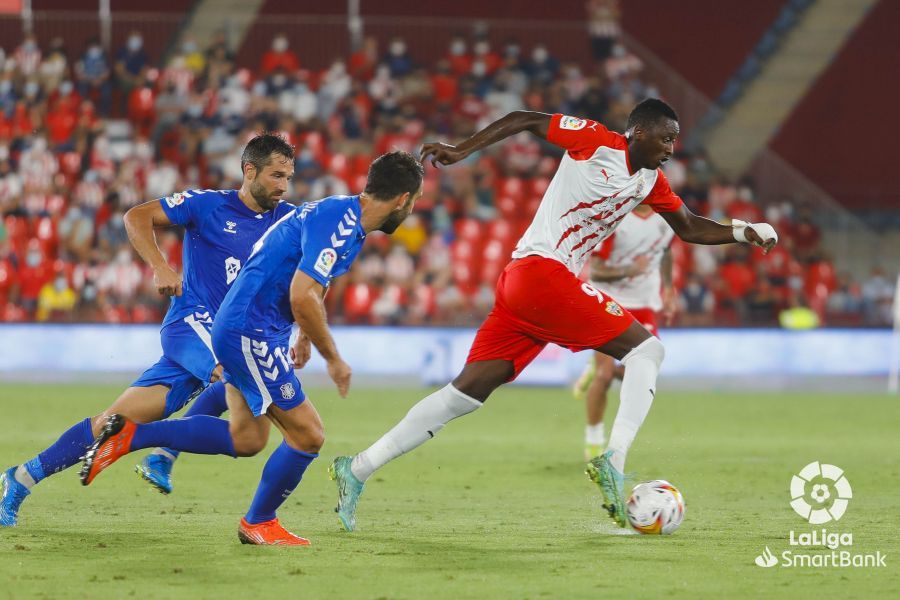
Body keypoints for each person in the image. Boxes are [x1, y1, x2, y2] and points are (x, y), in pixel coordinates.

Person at [330, 99, 778, 531]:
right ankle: (614, 460)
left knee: (462, 395)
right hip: (541, 273)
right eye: (665, 139)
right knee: (648, 351)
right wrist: (462, 149)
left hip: (524, 286)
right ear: (638, 132)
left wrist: (743, 231)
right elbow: (526, 119)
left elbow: (691, 226)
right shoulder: (595, 141)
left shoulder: (649, 183)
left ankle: (358, 468)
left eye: (674, 142)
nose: (670, 149)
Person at [79, 152, 424, 546]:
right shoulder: (340, 223)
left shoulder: (345, 220)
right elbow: (301, 296)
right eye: (413, 203)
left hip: (255, 329)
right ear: (402, 199)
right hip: (250, 331)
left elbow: (312, 283)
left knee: (247, 438)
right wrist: (335, 359)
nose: (411, 210)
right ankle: (258, 521)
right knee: (308, 434)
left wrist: (305, 337)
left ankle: (130, 436)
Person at [0, 134, 297, 526]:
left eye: (289, 177)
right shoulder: (208, 206)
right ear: (249, 170)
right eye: (276, 175)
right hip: (194, 324)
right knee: (233, 383)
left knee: (117, 421)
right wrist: (159, 265)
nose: (283, 185)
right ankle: (161, 453)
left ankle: (18, 479)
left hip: (235, 337)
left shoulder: (289, 221)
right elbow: (136, 216)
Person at [571, 203, 676, 460]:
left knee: (644, 374)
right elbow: (596, 270)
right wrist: (630, 270)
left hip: (644, 304)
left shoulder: (667, 217)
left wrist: (669, 289)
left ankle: (595, 365)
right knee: (605, 376)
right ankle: (594, 443)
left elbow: (664, 251)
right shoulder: (615, 219)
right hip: (608, 301)